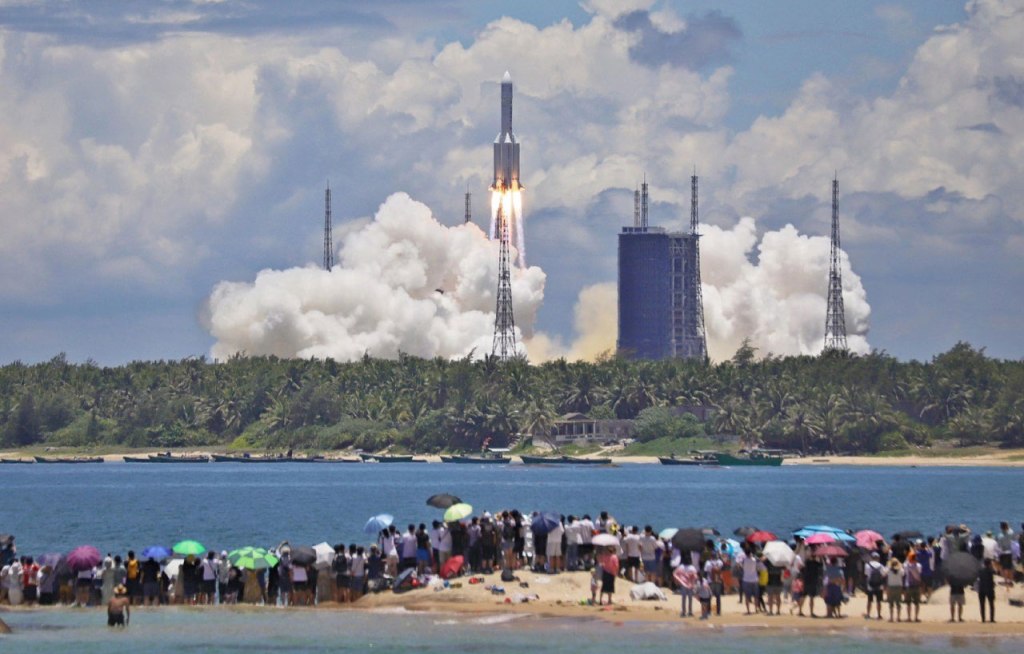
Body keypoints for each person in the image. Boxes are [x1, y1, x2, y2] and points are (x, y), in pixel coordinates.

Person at [864, 551, 885, 620]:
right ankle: (879, 615)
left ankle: (868, 614)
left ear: (872, 558)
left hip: (870, 585)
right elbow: (883, 574)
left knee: (869, 600)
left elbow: (866, 574)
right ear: (878, 558)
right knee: (879, 601)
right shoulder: (881, 565)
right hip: (879, 585)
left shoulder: (867, 565)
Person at [902, 550, 923, 622]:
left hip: (908, 585)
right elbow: (919, 573)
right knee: (917, 603)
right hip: (917, 586)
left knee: (908, 603)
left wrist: (907, 559)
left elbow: (904, 572)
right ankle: (916, 617)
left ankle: (909, 617)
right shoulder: (919, 565)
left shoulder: (906, 565)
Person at [996, 521, 1015, 588]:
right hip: (1010, 551)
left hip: (1003, 553)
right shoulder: (1011, 532)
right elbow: (1013, 539)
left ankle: (1006, 581)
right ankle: (1010, 581)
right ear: (1007, 526)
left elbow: (999, 545)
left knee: (1004, 568)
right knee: (1010, 567)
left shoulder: (1000, 535)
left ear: (1001, 527)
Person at [977, 557, 996, 623]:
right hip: (989, 589)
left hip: (981, 589)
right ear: (989, 564)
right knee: (991, 605)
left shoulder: (980, 571)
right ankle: (991, 619)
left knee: (982, 605)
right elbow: (993, 576)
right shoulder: (991, 571)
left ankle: (983, 619)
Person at [886, 557, 904, 622]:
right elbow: (903, 574)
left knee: (891, 603)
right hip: (898, 587)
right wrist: (900, 566)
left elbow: (884, 573)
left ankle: (891, 617)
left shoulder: (888, 570)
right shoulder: (900, 570)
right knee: (898, 603)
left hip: (890, 587)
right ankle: (898, 617)